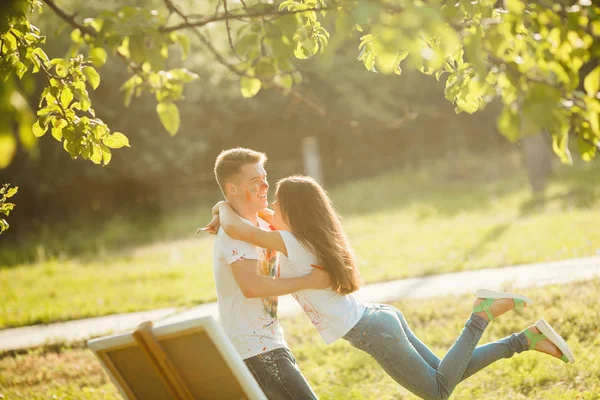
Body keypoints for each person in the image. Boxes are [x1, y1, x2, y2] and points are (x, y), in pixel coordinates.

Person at [204, 174, 575, 400]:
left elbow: (239, 229)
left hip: (372, 331)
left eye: (278, 205)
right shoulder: (306, 235)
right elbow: (265, 218)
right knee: (448, 372)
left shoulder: (292, 241)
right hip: (378, 318)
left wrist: (224, 202)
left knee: (438, 391)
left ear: (293, 214)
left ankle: (481, 315)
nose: (270, 209)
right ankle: (525, 340)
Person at [208, 149, 328, 399]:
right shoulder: (234, 235)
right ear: (233, 189)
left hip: (269, 343)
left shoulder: (260, 224)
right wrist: (309, 281)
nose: (265, 185)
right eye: (255, 181)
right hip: (253, 350)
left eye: (264, 177)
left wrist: (222, 207)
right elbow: (251, 286)